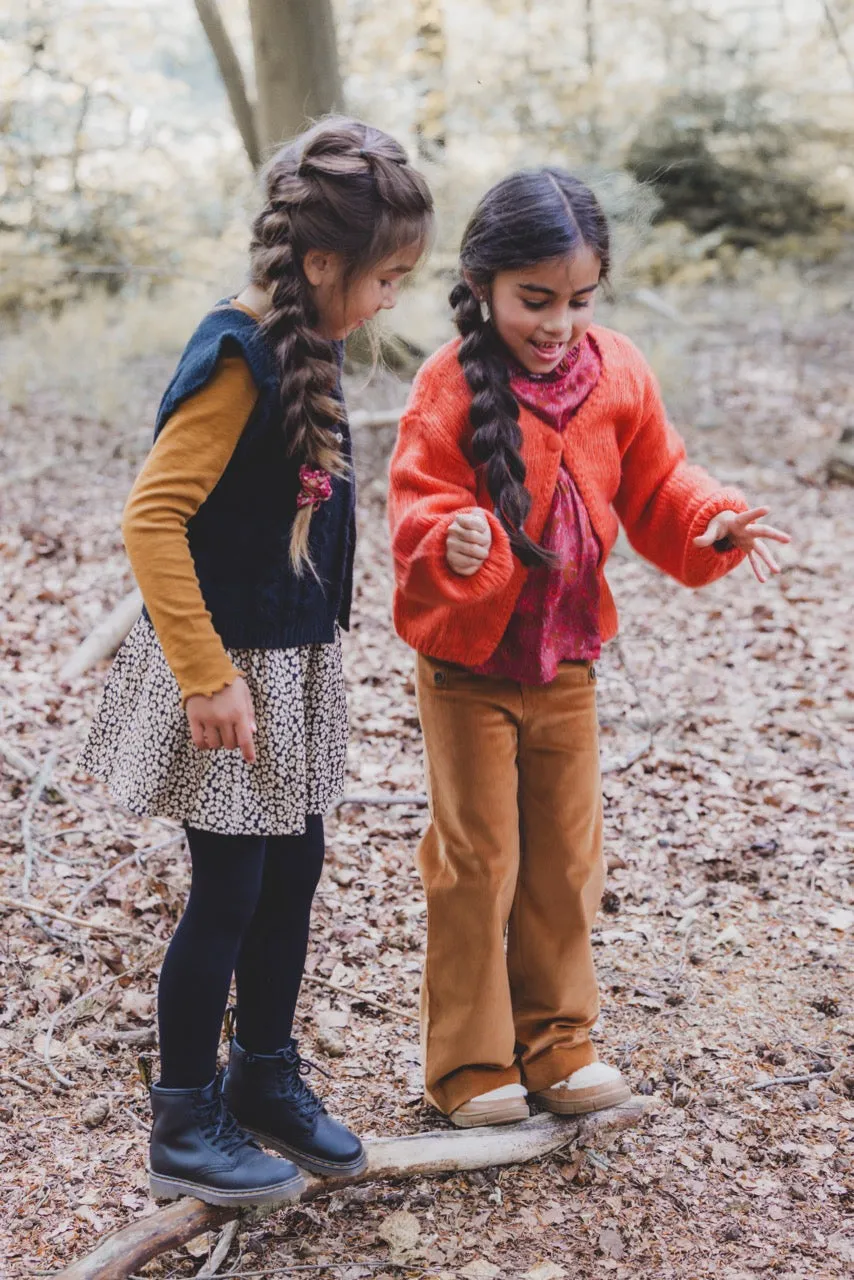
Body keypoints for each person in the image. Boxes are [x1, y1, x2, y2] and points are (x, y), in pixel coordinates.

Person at [387, 168, 789, 1128]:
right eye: (535, 300)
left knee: (567, 859)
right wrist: (452, 535)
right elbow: (415, 498)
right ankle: (471, 1067)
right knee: (477, 860)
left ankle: (560, 1049)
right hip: (468, 671)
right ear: (484, 283)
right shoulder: (446, 383)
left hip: (567, 664)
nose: (558, 321)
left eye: (579, 299)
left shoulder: (619, 372)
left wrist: (714, 521)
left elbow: (661, 484)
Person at [80, 117, 433, 1204]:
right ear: (320, 261)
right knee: (227, 889)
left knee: (294, 868)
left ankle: (265, 1077)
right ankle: (184, 1115)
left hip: (288, 664)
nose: (391, 298)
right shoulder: (234, 357)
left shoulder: (305, 336)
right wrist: (204, 674)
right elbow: (153, 518)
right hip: (226, 678)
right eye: (386, 276)